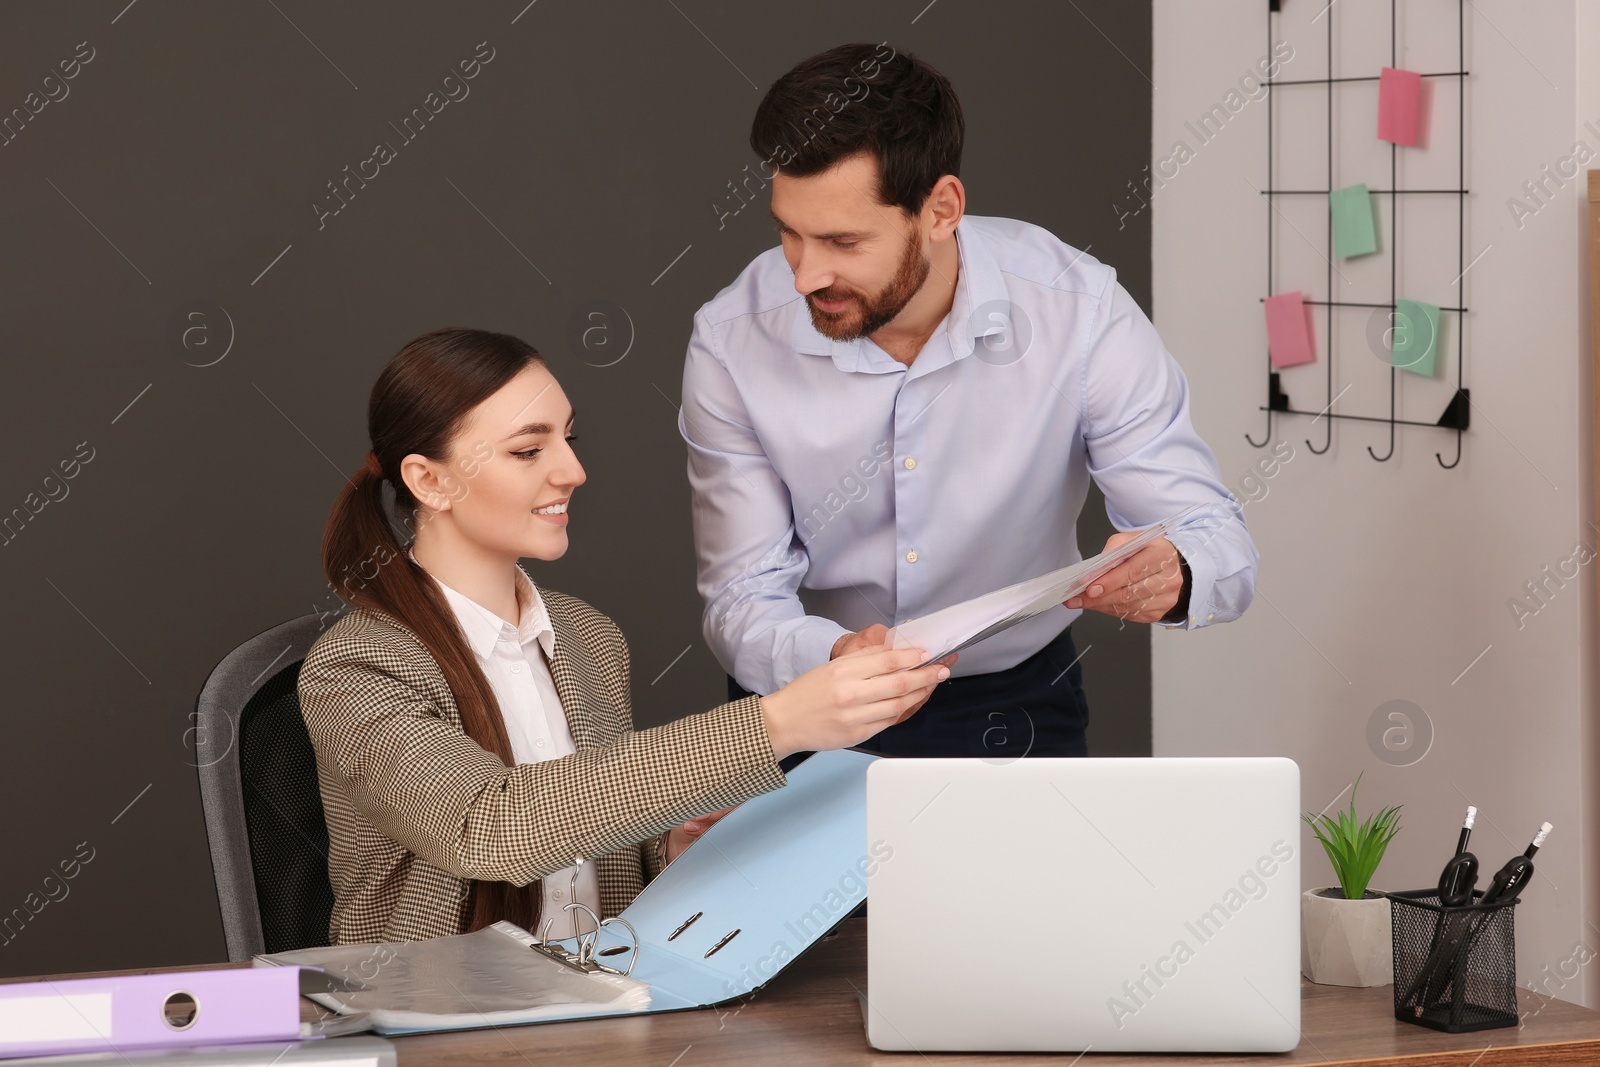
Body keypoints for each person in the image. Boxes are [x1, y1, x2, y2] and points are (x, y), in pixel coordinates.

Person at [681, 43, 1259, 760]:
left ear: (941, 210)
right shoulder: (732, 340)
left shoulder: (1078, 311)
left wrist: (1179, 570)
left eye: (843, 241)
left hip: (1014, 697)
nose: (804, 275)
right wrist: (834, 658)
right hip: (810, 696)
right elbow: (740, 597)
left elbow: (1217, 537)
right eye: (788, 234)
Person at [297, 328, 947, 946]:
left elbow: (592, 833)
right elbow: (490, 828)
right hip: (437, 1031)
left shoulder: (589, 635)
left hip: (594, 1005)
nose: (573, 470)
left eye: (569, 438)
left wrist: (670, 848)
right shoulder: (356, 667)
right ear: (429, 480)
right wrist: (777, 723)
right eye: (529, 449)